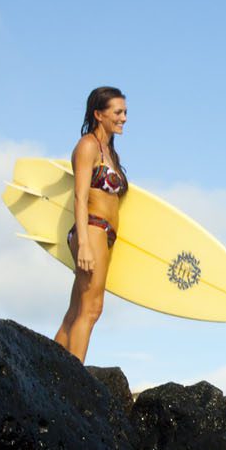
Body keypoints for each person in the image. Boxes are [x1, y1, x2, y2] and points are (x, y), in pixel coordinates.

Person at [54, 86, 129, 362]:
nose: (123, 118)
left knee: (76, 311)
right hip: (92, 231)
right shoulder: (88, 146)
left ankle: (50, 371)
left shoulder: (109, 151)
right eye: (117, 112)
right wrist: (84, 244)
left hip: (104, 235)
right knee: (92, 308)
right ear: (99, 114)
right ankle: (75, 383)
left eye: (124, 112)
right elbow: (80, 197)